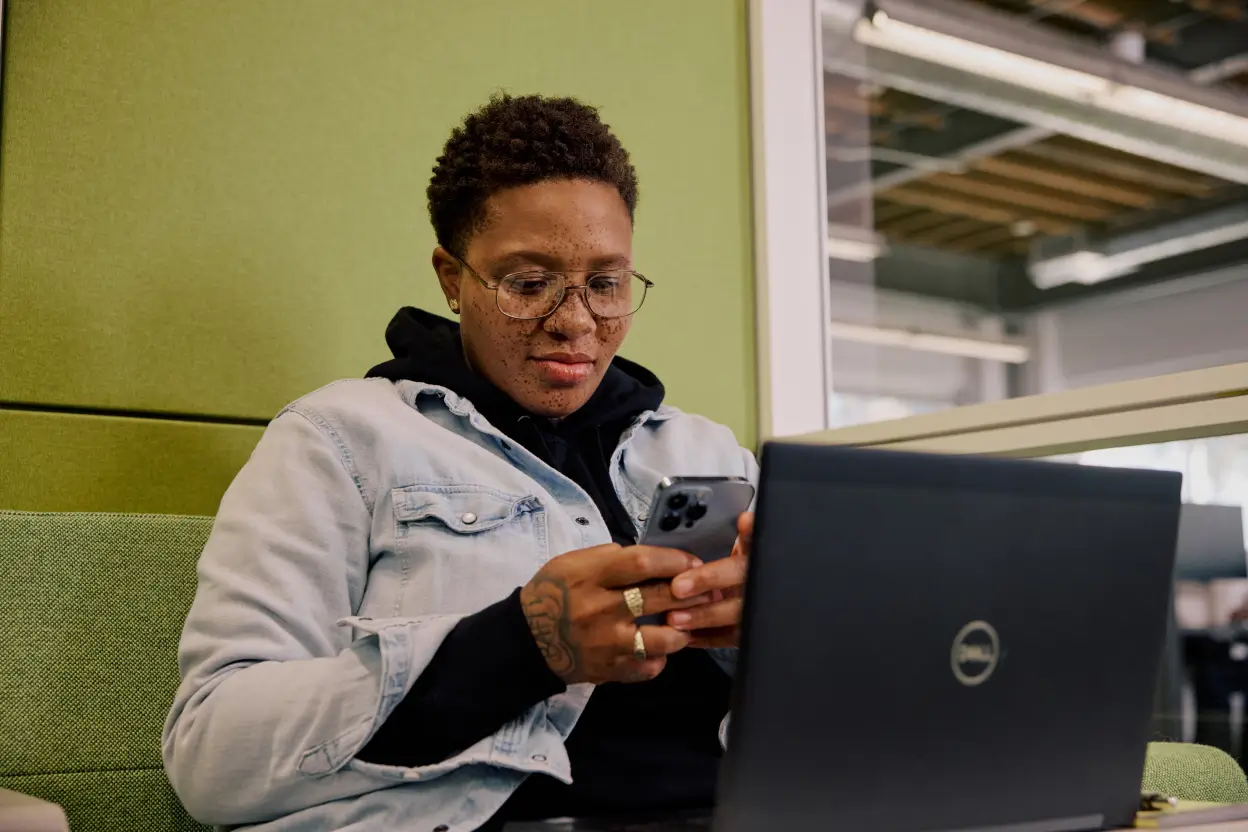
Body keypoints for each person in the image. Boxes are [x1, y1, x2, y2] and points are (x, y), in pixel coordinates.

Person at [163, 94, 756, 832]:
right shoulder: (341, 438)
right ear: (452, 276)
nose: (576, 323)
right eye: (529, 282)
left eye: (606, 283)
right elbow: (212, 756)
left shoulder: (706, 452)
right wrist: (522, 645)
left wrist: (774, 632)